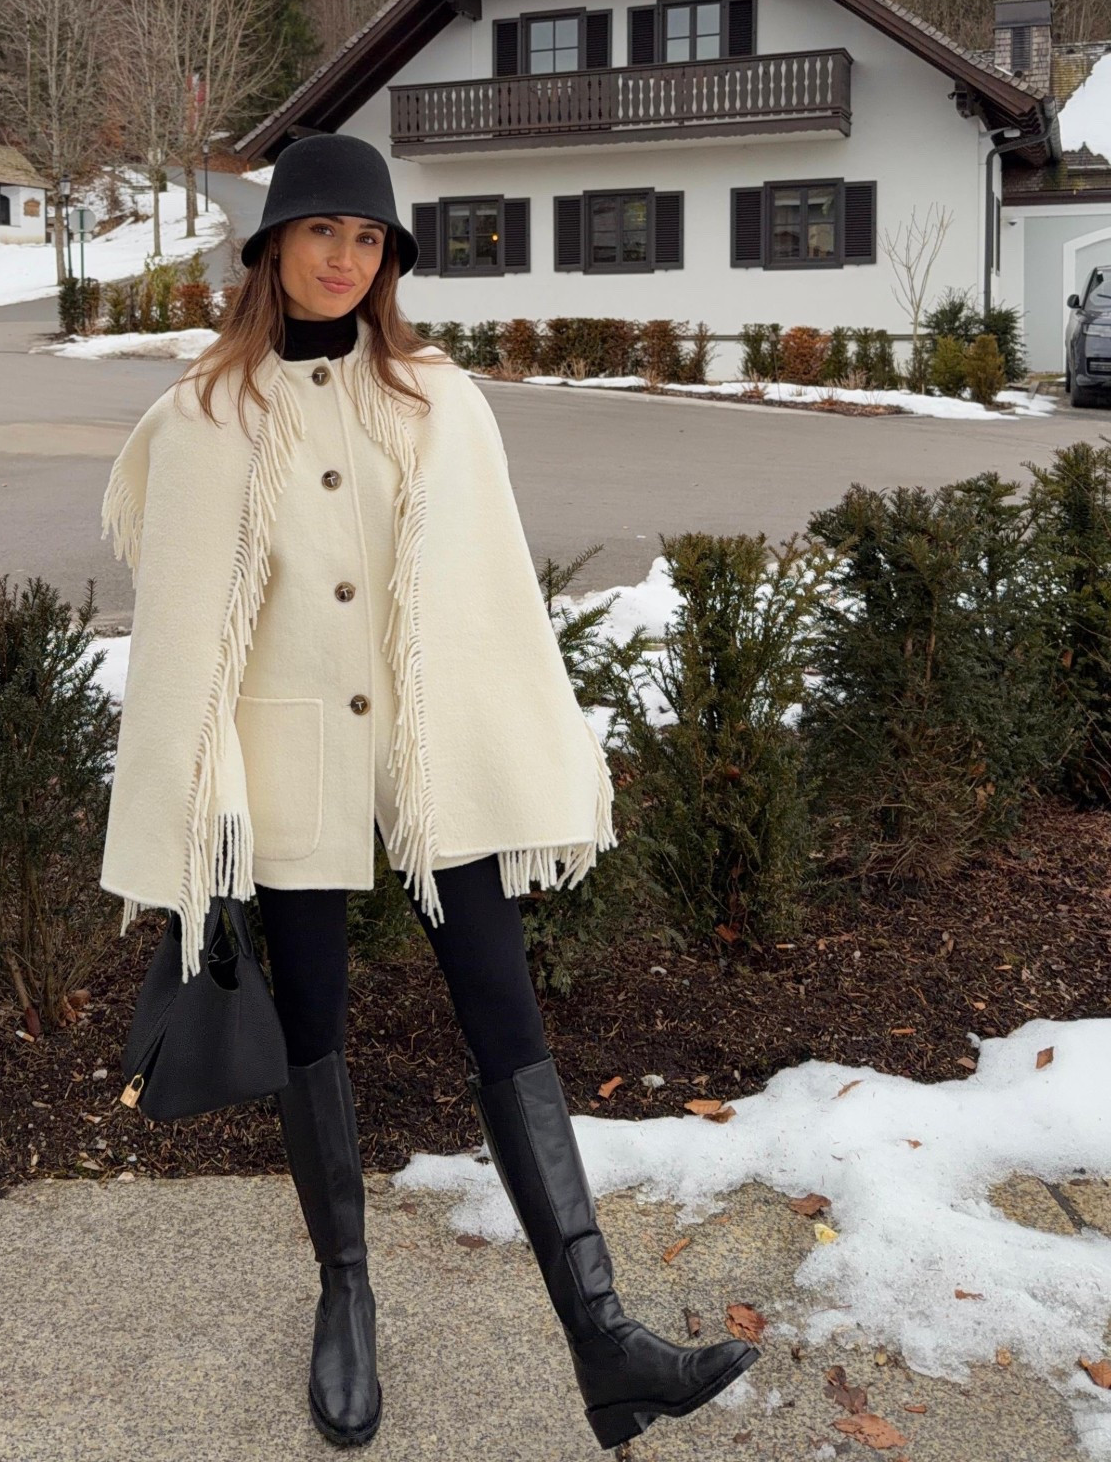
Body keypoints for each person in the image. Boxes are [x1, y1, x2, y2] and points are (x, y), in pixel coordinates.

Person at [98, 134, 757, 1450]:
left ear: (389, 260)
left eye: (369, 240)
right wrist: (198, 806)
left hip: (429, 755)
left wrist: (537, 742)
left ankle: (602, 1337)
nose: (344, 259)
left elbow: (491, 594)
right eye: (321, 232)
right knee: (315, 1033)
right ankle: (345, 1297)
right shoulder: (202, 416)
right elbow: (179, 632)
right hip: (287, 766)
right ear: (271, 245)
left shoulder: (439, 399)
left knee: (505, 1016)